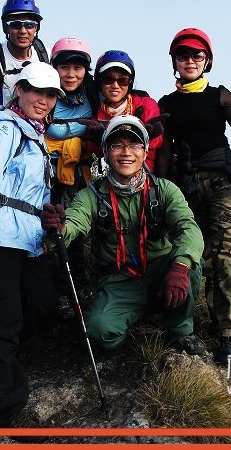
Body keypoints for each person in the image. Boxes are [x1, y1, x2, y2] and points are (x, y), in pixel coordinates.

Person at [155, 27, 231, 364]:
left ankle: (229, 335)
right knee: (197, 255)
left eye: (197, 55)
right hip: (187, 184)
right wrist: (158, 192)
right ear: (175, 62)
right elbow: (165, 152)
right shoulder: (167, 104)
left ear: (207, 61)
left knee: (225, 253)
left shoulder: (219, 95)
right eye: (183, 55)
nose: (190, 60)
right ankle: (195, 322)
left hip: (222, 181)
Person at [41, 115, 205, 355]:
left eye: (134, 144)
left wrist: (180, 268)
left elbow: (188, 228)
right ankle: (134, 317)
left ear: (145, 151)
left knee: (190, 265)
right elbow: (75, 221)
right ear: (106, 153)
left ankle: (180, 330)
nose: (126, 152)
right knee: (98, 332)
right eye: (117, 145)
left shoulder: (164, 190)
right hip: (119, 281)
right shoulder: (92, 195)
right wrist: (59, 227)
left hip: (161, 273)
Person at [0, 62, 63, 428]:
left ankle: (2, 357)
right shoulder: (3, 127)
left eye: (51, 95)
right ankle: (8, 408)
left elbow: (30, 191)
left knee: (42, 307)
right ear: (19, 90)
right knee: (1, 320)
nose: (44, 100)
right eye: (36, 91)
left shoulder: (35, 134)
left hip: (28, 240)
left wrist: (47, 216)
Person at [80, 50, 166, 172]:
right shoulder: (96, 117)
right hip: (113, 178)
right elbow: (97, 152)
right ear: (99, 82)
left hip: (146, 177)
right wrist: (95, 141)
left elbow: (156, 142)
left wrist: (148, 135)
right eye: (108, 79)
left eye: (122, 80)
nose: (115, 85)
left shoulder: (145, 105)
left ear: (130, 83)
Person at [43, 36, 101, 206]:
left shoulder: (93, 92)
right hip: (45, 171)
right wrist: (83, 129)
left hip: (81, 172)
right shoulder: (44, 91)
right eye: (64, 67)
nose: (71, 75)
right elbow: (45, 128)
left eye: (78, 68)